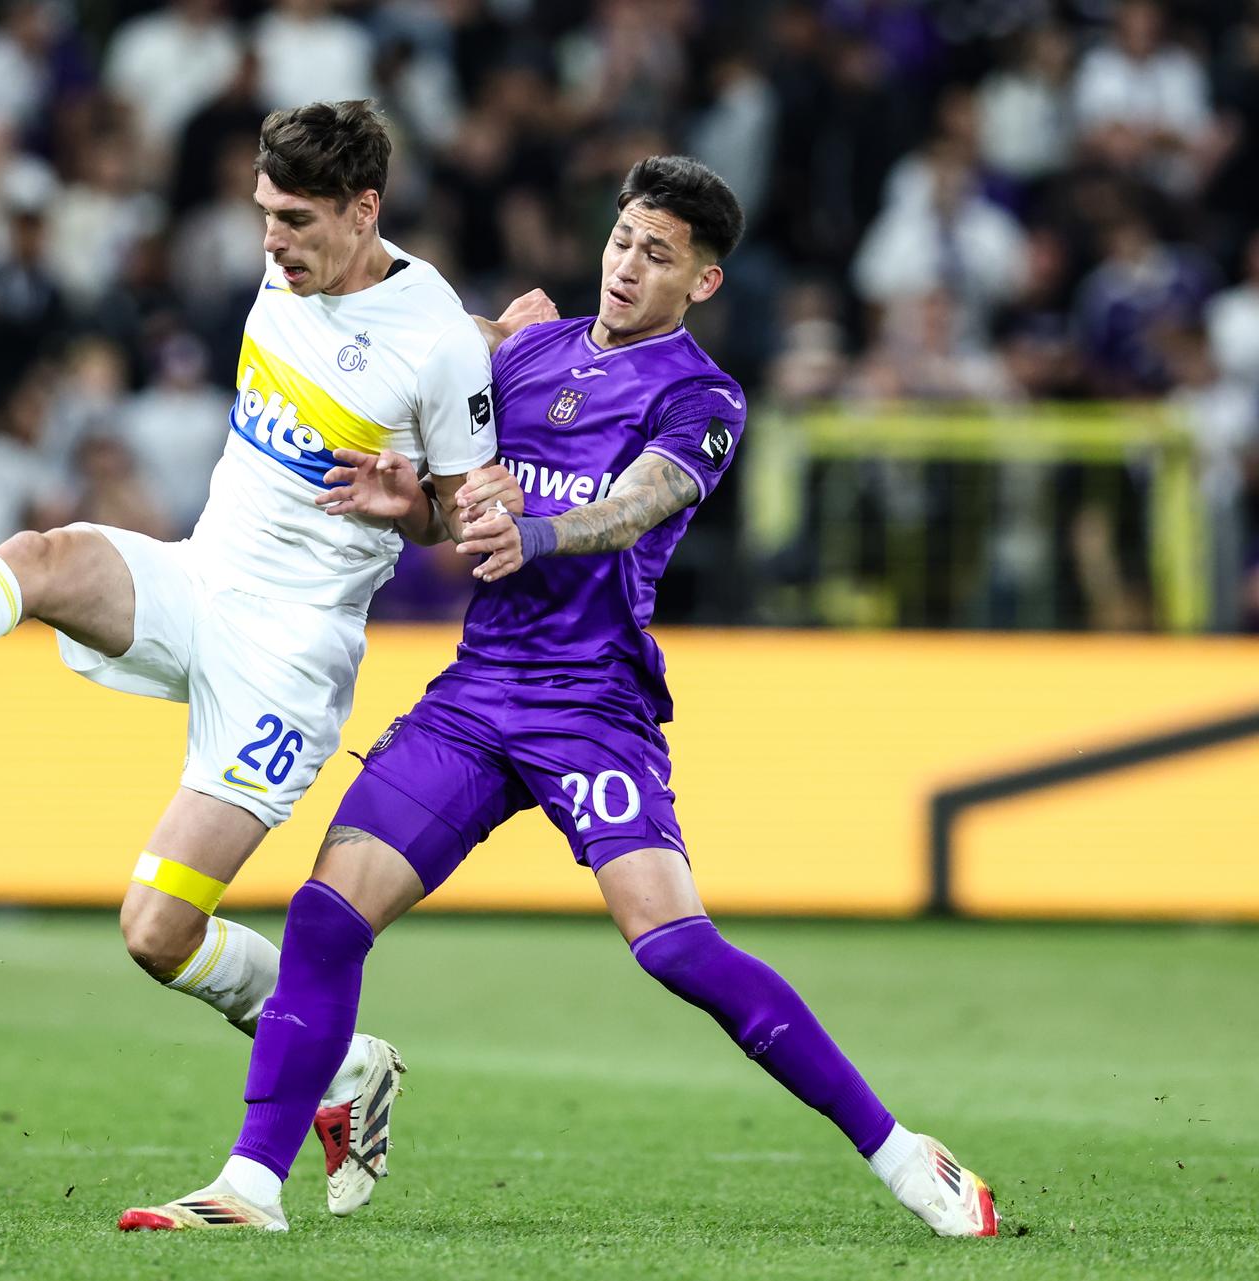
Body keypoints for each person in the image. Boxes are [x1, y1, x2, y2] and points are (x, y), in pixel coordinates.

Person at [119, 155, 999, 1238]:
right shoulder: (527, 354)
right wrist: (413, 507)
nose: (629, 265)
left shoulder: (700, 397)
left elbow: (631, 508)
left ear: (704, 284)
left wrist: (527, 529)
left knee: (674, 947)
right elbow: (452, 491)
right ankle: (251, 1186)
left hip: (591, 703)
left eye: (659, 254)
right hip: (480, 692)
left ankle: (911, 1160)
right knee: (326, 915)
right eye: (624, 239)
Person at [0, 100, 539, 1215]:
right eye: (265, 214)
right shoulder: (308, 275)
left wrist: (410, 501)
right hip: (198, 577)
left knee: (155, 927)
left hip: (289, 653)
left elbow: (467, 521)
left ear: (364, 209)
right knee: (48, 555)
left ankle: (350, 1060)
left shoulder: (438, 346)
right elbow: (388, 320)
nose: (271, 242)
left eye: (299, 220)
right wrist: (486, 335)